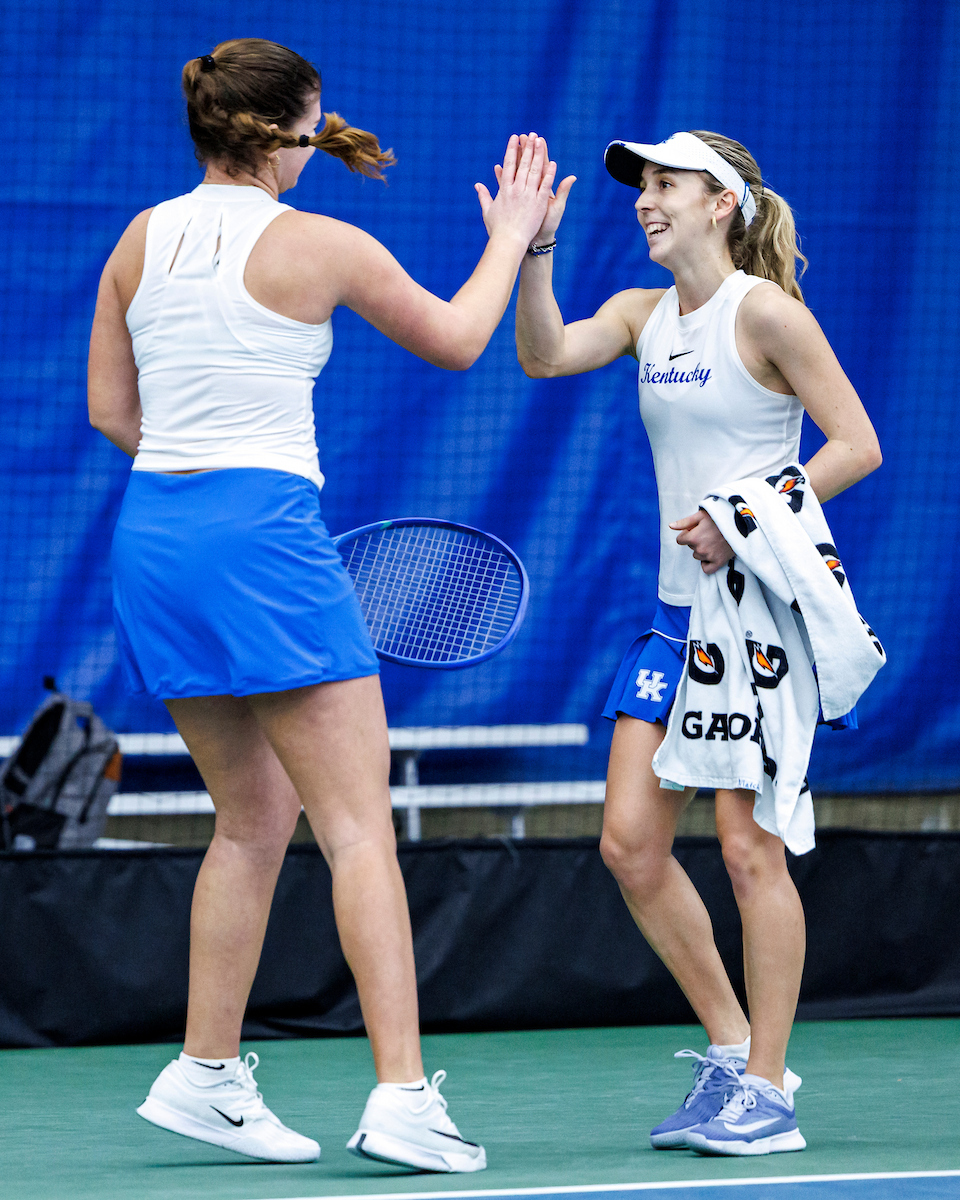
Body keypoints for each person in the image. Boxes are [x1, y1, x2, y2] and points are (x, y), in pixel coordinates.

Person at [87, 37, 554, 1170]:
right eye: (316, 123)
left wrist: (211, 500)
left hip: (156, 539)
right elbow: (460, 339)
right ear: (285, 133)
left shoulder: (138, 239)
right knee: (355, 827)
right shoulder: (322, 244)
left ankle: (204, 1073)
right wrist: (511, 237)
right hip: (258, 535)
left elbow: (111, 412)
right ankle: (403, 1099)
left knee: (252, 820)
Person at [515, 130, 881, 1155]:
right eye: (643, 185)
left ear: (721, 203)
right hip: (674, 619)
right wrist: (537, 246)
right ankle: (731, 1049)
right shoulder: (643, 315)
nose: (647, 198)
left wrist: (742, 516)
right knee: (630, 845)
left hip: (758, 618)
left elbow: (856, 444)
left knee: (748, 850)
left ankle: (769, 1092)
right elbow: (544, 355)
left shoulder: (766, 313)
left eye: (667, 183)